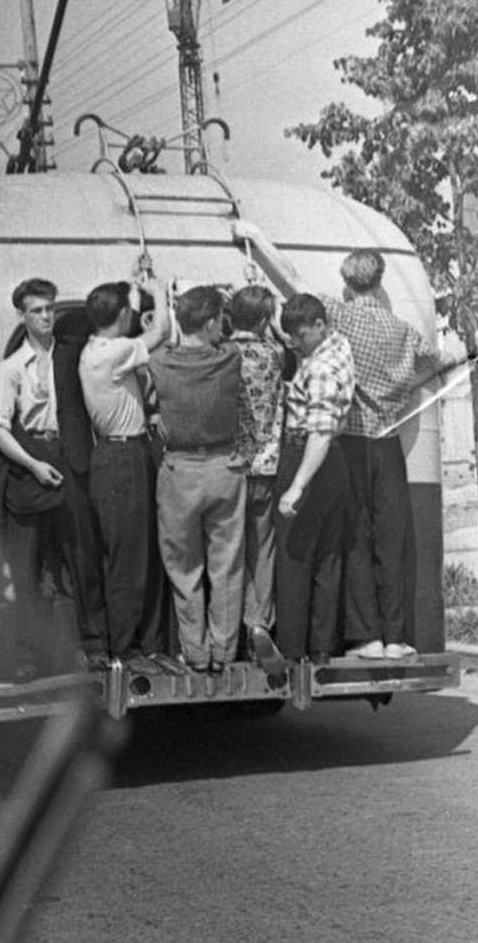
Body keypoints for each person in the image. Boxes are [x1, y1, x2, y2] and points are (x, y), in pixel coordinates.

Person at [233, 222, 446, 660]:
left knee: (355, 539)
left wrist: (256, 235)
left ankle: (365, 637)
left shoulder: (338, 316)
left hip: (348, 441)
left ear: (347, 284)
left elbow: (289, 276)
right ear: (380, 281)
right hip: (387, 444)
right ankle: (397, 638)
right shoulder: (402, 331)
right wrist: (401, 388)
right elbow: (437, 363)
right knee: (391, 541)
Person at [0, 277, 109, 671]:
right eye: (36, 311)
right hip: (27, 468)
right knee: (27, 568)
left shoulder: (71, 355)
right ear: (21, 315)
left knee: (83, 557)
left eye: (49, 309)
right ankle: (28, 657)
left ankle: (95, 646)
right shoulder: (8, 370)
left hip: (71, 461)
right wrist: (34, 465)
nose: (45, 317)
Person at [79, 278, 180, 673]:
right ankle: (126, 647)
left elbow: (137, 330)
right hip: (123, 456)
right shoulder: (113, 352)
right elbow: (161, 331)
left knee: (143, 552)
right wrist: (156, 287)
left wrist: (132, 295)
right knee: (127, 557)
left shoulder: (97, 348)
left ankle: (146, 642)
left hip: (125, 452)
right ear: (122, 315)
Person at [147, 285, 249, 675]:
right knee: (226, 564)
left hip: (179, 470)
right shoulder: (229, 357)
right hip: (225, 467)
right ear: (209, 323)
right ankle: (224, 652)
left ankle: (196, 651)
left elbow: (165, 342)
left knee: (183, 566)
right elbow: (229, 336)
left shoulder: (160, 363)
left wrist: (165, 301)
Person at [274, 294, 355, 664]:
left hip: (307, 455)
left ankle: (292, 649)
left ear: (320, 326)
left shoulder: (319, 369)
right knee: (328, 558)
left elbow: (319, 433)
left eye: (301, 336)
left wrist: (296, 486)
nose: (295, 343)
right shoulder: (338, 344)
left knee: (294, 557)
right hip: (337, 463)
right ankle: (322, 647)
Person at [227, 284, 287, 677]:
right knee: (262, 548)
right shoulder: (276, 355)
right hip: (266, 467)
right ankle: (260, 622)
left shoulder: (223, 355)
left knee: (229, 550)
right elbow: (282, 338)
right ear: (265, 320)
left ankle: (230, 627)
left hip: (228, 467)